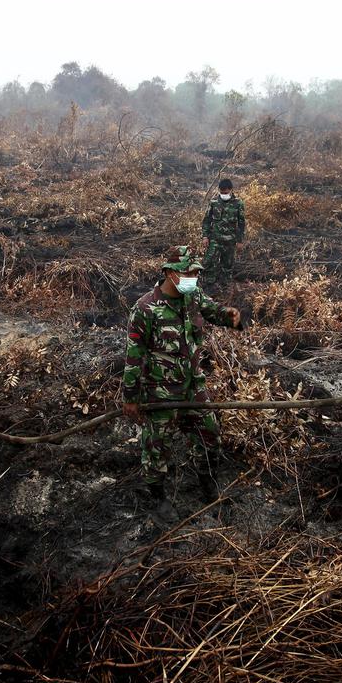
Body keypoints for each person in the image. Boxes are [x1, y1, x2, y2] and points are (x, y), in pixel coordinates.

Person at [121, 246, 244, 503]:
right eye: (185, 273)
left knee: (209, 435)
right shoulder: (145, 309)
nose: (191, 278)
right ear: (168, 273)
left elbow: (213, 311)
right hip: (160, 392)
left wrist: (229, 316)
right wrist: (130, 397)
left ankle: (208, 486)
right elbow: (134, 356)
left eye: (194, 273)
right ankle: (157, 499)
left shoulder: (193, 296)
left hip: (193, 387)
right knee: (157, 448)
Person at [201, 179, 246, 286]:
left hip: (230, 240)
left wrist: (240, 241)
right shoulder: (214, 203)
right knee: (210, 262)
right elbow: (207, 220)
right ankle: (209, 283)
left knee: (228, 264)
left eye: (225, 192)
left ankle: (226, 286)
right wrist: (205, 237)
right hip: (215, 239)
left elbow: (241, 224)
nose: (223, 194)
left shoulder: (238, 204)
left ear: (230, 190)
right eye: (221, 192)